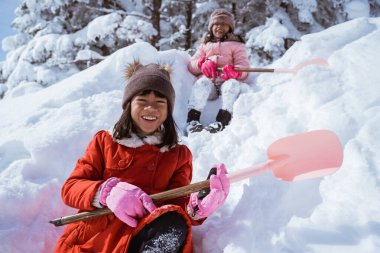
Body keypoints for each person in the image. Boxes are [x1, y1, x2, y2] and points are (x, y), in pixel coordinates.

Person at [53, 62, 230, 253]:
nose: (151, 108)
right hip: (97, 239)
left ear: (168, 111)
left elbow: (177, 205)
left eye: (159, 103)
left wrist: (198, 206)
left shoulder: (178, 156)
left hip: (146, 237)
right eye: (142, 101)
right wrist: (107, 193)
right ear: (129, 105)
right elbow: (71, 188)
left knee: (173, 222)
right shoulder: (105, 142)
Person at [186, 8, 250, 134]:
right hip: (209, 84)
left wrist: (236, 72)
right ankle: (192, 120)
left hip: (227, 82)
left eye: (224, 24)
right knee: (201, 84)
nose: (219, 27)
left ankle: (222, 120)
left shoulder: (237, 45)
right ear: (211, 27)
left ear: (230, 28)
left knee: (232, 85)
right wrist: (202, 63)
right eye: (216, 24)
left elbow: (244, 68)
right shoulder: (205, 45)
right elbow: (191, 66)